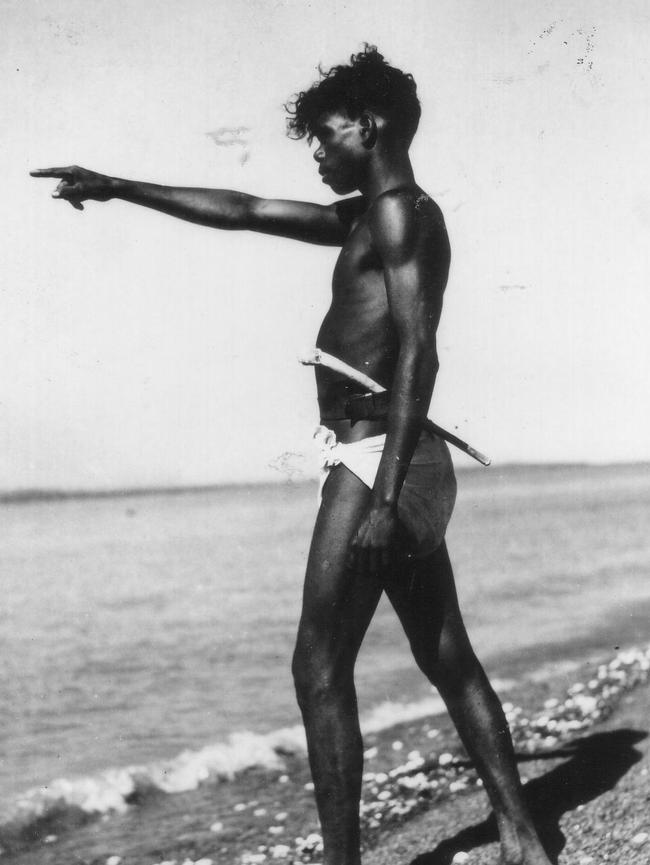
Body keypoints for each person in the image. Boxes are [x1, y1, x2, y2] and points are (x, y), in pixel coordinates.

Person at [32, 45, 552, 865]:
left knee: (317, 667)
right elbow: (242, 208)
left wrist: (381, 497)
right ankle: (523, 834)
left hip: (378, 456)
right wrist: (120, 185)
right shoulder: (372, 216)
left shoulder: (400, 214)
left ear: (368, 126)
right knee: (444, 652)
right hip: (394, 455)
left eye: (325, 133)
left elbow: (421, 353)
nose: (316, 151)